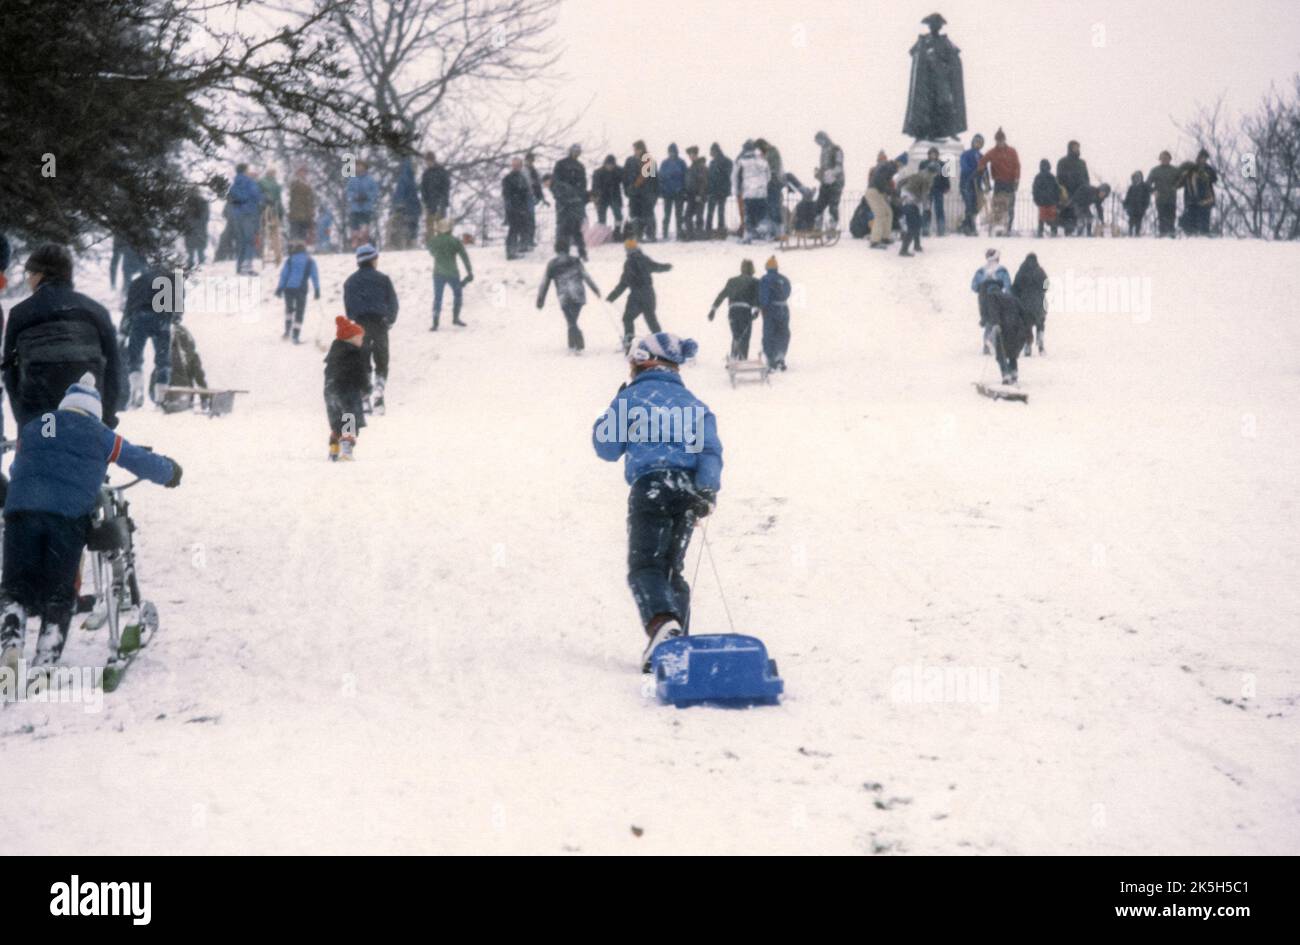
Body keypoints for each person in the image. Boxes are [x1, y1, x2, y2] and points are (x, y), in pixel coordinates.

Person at [0, 373, 179, 673]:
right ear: (95, 412)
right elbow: (139, 461)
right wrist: (171, 472)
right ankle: (45, 660)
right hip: (67, 519)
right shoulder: (100, 434)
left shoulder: (42, 424)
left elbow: (21, 465)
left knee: (15, 587)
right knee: (60, 590)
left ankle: (11, 644)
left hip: (20, 513)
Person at [591, 332, 722, 672]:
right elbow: (709, 451)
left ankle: (663, 626)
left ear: (643, 361)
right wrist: (705, 491)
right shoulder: (694, 404)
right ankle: (677, 645)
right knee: (670, 569)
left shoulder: (632, 398)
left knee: (645, 567)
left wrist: (613, 408)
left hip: (651, 487)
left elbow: (606, 448)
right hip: (686, 489)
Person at [3, 244, 125, 431]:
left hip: (39, 418)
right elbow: (114, 369)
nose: (28, 280)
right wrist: (106, 418)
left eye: (30, 274)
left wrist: (25, 420)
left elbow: (11, 374)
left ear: (39, 274)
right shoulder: (97, 312)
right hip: (88, 415)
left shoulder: (20, 314)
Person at [342, 244, 398, 414]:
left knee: (362, 362)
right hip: (380, 324)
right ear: (373, 260)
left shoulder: (350, 281)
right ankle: (379, 394)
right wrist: (389, 320)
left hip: (360, 326)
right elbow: (393, 303)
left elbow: (349, 308)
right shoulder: (383, 279)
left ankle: (365, 399)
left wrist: (354, 318)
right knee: (382, 360)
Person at [123, 264, 183, 406]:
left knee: (135, 359)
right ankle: (161, 397)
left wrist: (123, 331)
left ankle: (136, 388)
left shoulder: (138, 281)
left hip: (139, 318)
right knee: (163, 360)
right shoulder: (173, 279)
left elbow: (128, 309)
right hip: (161, 319)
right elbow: (178, 307)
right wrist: (175, 319)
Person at [607, 238, 671, 353]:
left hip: (636, 295)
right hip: (649, 294)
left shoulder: (629, 263)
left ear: (627, 250)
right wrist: (666, 267)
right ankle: (662, 344)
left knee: (628, 318)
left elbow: (624, 283)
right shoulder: (644, 259)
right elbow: (656, 267)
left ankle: (629, 345)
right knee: (651, 319)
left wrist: (612, 296)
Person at [537, 242, 600, 354]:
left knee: (570, 320)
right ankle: (573, 344)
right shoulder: (575, 261)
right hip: (578, 294)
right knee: (572, 319)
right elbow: (586, 276)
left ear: (556, 250)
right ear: (567, 249)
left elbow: (544, 283)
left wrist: (540, 299)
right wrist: (595, 290)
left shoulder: (552, 264)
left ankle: (576, 343)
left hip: (564, 295)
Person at [323, 317, 369, 462]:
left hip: (330, 392)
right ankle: (346, 451)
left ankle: (333, 450)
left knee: (337, 422)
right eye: (360, 338)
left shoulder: (334, 353)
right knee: (349, 419)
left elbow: (328, 373)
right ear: (351, 338)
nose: (362, 341)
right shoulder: (354, 353)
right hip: (347, 391)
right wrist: (366, 387)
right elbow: (360, 373)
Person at [707, 259, 760, 361]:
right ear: (752, 269)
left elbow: (722, 295)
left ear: (741, 268)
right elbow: (757, 297)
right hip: (745, 311)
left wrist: (713, 310)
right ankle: (742, 359)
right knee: (745, 336)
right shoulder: (755, 282)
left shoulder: (732, 281)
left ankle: (734, 356)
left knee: (736, 335)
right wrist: (756, 310)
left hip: (733, 311)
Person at [426, 219, 473, 330]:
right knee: (458, 295)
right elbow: (464, 257)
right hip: (453, 273)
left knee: (438, 298)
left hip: (437, 273)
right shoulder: (455, 241)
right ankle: (455, 318)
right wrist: (469, 271)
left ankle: (435, 322)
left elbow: (431, 252)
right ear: (449, 229)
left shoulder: (433, 241)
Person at [980, 278, 1029, 385]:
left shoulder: (991, 296)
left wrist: (996, 323)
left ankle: (1006, 375)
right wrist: (1025, 329)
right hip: (1016, 328)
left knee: (1000, 353)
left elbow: (993, 311)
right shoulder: (1012, 297)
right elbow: (1024, 313)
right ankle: (1014, 373)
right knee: (1012, 352)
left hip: (1003, 328)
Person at [160, 310, 209, 414]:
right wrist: (204, 397)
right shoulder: (182, 333)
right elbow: (199, 375)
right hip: (182, 395)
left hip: (174, 396)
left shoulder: (171, 333)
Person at [274, 241, 321, 343]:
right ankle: (295, 335)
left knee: (289, 310)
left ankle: (287, 331)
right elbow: (314, 276)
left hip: (288, 289)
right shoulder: (310, 261)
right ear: (304, 250)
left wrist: (280, 288)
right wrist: (317, 290)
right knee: (300, 312)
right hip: (301, 289)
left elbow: (284, 275)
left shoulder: (290, 260)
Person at [978, 128, 1020, 235]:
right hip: (999, 182)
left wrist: (1016, 179)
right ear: (996, 141)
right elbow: (982, 162)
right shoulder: (992, 152)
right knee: (997, 207)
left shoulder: (1012, 151)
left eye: (1001, 140)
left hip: (1010, 182)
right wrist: (981, 169)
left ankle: (1008, 228)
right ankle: (997, 227)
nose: (1000, 142)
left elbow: (1017, 166)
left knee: (1010, 207)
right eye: (998, 140)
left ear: (1004, 140)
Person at [970, 248, 1011, 354]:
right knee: (998, 319)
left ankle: (986, 345)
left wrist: (982, 287)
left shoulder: (980, 271)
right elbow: (1008, 286)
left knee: (988, 319)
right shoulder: (1002, 270)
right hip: (998, 297)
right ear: (997, 258)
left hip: (983, 298)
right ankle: (993, 341)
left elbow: (974, 287)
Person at [226, 163, 264, 275]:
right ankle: (247, 267)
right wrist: (265, 199)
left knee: (241, 241)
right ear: (244, 171)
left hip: (237, 215)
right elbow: (256, 195)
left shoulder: (234, 185)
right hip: (249, 213)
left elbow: (231, 198)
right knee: (249, 240)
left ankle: (239, 267)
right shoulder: (250, 182)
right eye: (248, 169)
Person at [732, 140, 770, 243]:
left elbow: (735, 177)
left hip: (748, 192)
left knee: (748, 214)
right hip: (762, 192)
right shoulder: (762, 160)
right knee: (761, 213)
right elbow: (768, 176)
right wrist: (763, 186)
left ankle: (748, 236)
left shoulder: (740, 161)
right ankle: (764, 232)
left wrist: (736, 190)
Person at [545, 171, 588, 261]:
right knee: (576, 233)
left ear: (549, 180)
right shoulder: (560, 184)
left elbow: (563, 201)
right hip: (576, 211)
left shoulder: (556, 186)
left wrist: (561, 215)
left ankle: (564, 254)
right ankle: (582, 253)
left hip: (569, 213)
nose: (545, 185)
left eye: (545, 182)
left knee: (564, 233)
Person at [867, 151, 907, 248]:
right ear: (899, 162)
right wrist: (890, 191)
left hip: (877, 192)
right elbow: (880, 181)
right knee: (880, 215)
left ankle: (885, 237)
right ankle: (875, 241)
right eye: (902, 165)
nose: (901, 168)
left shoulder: (889, 167)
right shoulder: (889, 167)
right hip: (874, 192)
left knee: (888, 213)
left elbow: (885, 182)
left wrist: (892, 191)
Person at [1012, 252, 1048, 356]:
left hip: (1024, 304)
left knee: (1027, 325)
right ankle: (1041, 345)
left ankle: (1028, 345)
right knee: (1040, 323)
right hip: (1039, 304)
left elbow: (1014, 287)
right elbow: (1046, 285)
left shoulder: (1021, 271)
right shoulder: (1040, 271)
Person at [758, 256, 792, 370]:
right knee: (783, 332)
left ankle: (770, 358)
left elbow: (764, 296)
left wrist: (760, 307)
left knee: (769, 334)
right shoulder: (785, 279)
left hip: (771, 310)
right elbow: (788, 292)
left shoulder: (765, 279)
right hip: (784, 309)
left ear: (767, 267)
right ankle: (780, 356)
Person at [623, 141, 658, 242]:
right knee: (634, 215)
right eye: (634, 149)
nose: (635, 151)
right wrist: (627, 189)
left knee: (648, 215)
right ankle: (637, 235)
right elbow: (625, 177)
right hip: (633, 193)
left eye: (637, 149)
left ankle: (651, 235)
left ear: (642, 149)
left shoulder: (649, 161)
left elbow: (654, 179)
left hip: (646, 193)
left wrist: (654, 194)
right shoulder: (629, 161)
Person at [1179, 149, 1217, 235]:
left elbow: (1214, 179)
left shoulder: (1208, 169)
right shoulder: (1191, 168)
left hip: (1206, 198)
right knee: (1192, 218)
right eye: (1202, 157)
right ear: (1198, 158)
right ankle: (1192, 234)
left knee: (1205, 218)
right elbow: (1181, 181)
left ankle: (1205, 234)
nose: (1203, 159)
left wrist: (1205, 175)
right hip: (1191, 198)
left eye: (1205, 158)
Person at [1055, 141, 1090, 235]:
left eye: (1078, 147)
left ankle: (1080, 231)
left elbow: (1086, 178)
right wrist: (1062, 191)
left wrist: (1086, 189)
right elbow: (1059, 179)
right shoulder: (1062, 162)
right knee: (1068, 215)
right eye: (1075, 147)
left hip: (1080, 193)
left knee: (1081, 215)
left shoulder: (1082, 163)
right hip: (1067, 193)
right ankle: (1068, 232)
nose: (1077, 149)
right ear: (1070, 148)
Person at [897, 169, 934, 256]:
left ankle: (917, 245)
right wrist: (927, 208)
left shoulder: (914, 175)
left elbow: (899, 183)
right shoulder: (926, 179)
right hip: (911, 202)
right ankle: (903, 250)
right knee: (914, 226)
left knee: (916, 223)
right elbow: (924, 195)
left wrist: (900, 195)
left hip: (906, 201)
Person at [502, 157, 533, 260]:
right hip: (513, 207)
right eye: (514, 165)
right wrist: (510, 207)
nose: (516, 167)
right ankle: (510, 252)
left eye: (518, 165)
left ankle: (519, 248)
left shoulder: (522, 178)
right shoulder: (508, 178)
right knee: (513, 229)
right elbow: (507, 195)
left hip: (522, 208)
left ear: (520, 166)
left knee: (521, 228)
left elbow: (526, 192)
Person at [813, 131, 845, 228]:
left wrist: (832, 173)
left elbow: (839, 166)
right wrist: (819, 174)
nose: (819, 144)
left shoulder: (836, 149)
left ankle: (832, 227)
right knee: (819, 205)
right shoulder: (823, 151)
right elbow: (824, 167)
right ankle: (817, 227)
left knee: (833, 206)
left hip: (836, 182)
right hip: (825, 182)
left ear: (824, 138)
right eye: (817, 142)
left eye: (819, 141)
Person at [345, 161, 380, 249]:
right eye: (357, 166)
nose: (359, 168)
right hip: (355, 209)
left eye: (360, 166)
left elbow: (375, 192)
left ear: (365, 167)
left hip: (366, 208)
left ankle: (364, 244)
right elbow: (348, 192)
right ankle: (355, 244)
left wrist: (367, 196)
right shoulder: (352, 180)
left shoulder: (370, 180)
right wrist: (354, 197)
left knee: (365, 228)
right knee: (354, 229)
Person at [1146, 151, 1180, 238]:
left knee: (1172, 216)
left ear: (1170, 159)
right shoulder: (1155, 170)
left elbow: (1181, 181)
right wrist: (1153, 191)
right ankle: (1162, 234)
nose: (1164, 160)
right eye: (1162, 158)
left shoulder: (1175, 170)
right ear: (1160, 159)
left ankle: (1172, 234)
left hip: (1172, 198)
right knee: (1161, 216)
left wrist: (1176, 186)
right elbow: (1147, 183)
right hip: (1160, 198)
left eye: (1166, 158)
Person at [391, 158, 422, 250]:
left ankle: (411, 245)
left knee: (412, 227)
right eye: (414, 166)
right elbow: (400, 193)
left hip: (413, 208)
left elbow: (414, 196)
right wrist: (399, 204)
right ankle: (406, 245)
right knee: (407, 227)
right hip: (407, 208)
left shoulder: (411, 179)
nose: (416, 169)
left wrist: (418, 206)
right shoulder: (404, 178)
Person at [958, 134, 985, 236]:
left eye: (980, 142)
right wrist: (972, 172)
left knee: (977, 206)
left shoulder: (982, 156)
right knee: (969, 205)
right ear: (973, 142)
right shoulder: (966, 154)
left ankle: (965, 225)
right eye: (976, 142)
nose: (977, 144)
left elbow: (984, 170)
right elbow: (963, 165)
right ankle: (970, 228)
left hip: (977, 185)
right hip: (966, 183)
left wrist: (984, 179)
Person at [658, 144, 687, 240]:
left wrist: (683, 190)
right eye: (670, 151)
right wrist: (662, 190)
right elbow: (660, 178)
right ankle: (665, 233)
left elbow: (686, 178)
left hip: (679, 193)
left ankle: (679, 233)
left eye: (673, 151)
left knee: (679, 215)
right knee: (667, 215)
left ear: (676, 152)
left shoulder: (681, 163)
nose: (672, 153)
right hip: (667, 193)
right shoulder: (664, 163)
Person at [756, 139, 784, 235]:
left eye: (760, 148)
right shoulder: (767, 153)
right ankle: (773, 231)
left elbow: (774, 167)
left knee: (774, 206)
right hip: (769, 183)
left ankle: (779, 232)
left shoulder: (772, 151)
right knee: (769, 207)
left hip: (774, 182)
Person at [420, 151, 451, 237]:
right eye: (426, 161)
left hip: (440, 202)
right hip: (430, 203)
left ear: (433, 160)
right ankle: (431, 244)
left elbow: (446, 187)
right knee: (429, 225)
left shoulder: (441, 171)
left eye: (429, 160)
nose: (427, 163)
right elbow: (423, 188)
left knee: (441, 225)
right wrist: (424, 201)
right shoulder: (426, 173)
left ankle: (443, 243)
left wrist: (443, 201)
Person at [592, 154, 625, 234]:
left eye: (612, 165)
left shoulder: (619, 171)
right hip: (602, 197)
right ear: (605, 164)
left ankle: (617, 231)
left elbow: (626, 181)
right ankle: (601, 233)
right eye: (608, 164)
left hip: (615, 196)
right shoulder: (598, 173)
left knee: (618, 216)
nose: (610, 167)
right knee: (601, 217)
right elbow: (595, 187)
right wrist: (596, 200)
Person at [919, 146, 948, 236]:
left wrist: (946, 186)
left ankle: (941, 229)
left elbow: (945, 177)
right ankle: (925, 229)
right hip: (927, 189)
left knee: (939, 209)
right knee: (926, 209)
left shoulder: (942, 164)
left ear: (937, 155)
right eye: (931, 154)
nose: (933, 155)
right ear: (928, 154)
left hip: (938, 189)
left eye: (934, 154)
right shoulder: (923, 164)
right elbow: (920, 176)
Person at [259, 169, 285, 265]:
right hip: (270, 211)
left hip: (269, 211)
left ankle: (275, 255)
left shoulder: (263, 183)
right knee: (274, 234)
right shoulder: (273, 185)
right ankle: (277, 256)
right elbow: (278, 200)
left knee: (272, 233)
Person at [706, 143, 733, 236]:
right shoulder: (727, 161)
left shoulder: (715, 163)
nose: (711, 153)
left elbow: (711, 177)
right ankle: (720, 230)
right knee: (720, 211)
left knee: (712, 211)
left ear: (715, 151)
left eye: (712, 151)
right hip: (721, 190)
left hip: (716, 190)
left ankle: (709, 230)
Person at [683, 146, 708, 239]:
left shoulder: (701, 167)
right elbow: (688, 182)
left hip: (699, 196)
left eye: (692, 155)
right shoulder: (691, 167)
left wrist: (700, 195)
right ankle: (691, 234)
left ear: (696, 155)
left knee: (699, 216)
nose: (691, 157)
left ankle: (699, 234)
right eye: (689, 155)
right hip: (691, 196)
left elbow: (703, 183)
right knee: (687, 216)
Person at [1031, 159, 1061, 237]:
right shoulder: (1052, 177)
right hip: (1051, 201)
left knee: (1042, 218)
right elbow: (1057, 189)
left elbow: (1035, 190)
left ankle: (1040, 232)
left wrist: (1036, 200)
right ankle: (1054, 232)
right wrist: (1057, 200)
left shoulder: (1038, 177)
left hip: (1042, 202)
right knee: (1053, 218)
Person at [287, 166, 316, 244]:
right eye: (301, 172)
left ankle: (301, 250)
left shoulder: (308, 184)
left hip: (306, 215)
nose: (303, 174)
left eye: (305, 172)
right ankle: (294, 249)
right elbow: (293, 191)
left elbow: (311, 200)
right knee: (295, 234)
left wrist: (311, 212)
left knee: (303, 235)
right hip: (296, 214)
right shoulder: (295, 183)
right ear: (297, 173)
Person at [524, 152, 547, 250]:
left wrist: (541, 197)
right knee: (527, 219)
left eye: (532, 160)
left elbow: (538, 185)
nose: (531, 161)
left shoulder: (534, 171)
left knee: (531, 220)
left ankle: (530, 240)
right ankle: (526, 240)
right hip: (525, 197)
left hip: (532, 197)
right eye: (529, 160)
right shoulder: (523, 170)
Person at [183, 188, 209, 268]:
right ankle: (199, 260)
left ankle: (193, 261)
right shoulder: (203, 202)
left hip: (191, 227)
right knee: (199, 245)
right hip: (199, 227)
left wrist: (188, 223)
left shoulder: (187, 202)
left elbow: (184, 215)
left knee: (192, 246)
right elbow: (206, 216)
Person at [1123, 171, 1152, 236]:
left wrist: (1145, 207)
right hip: (1131, 208)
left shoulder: (1145, 186)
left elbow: (1147, 198)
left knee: (1138, 221)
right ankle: (1130, 233)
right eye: (1134, 177)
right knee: (1131, 221)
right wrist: (1125, 205)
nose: (1136, 178)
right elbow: (1127, 197)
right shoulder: (1131, 187)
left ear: (1141, 177)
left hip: (1140, 208)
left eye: (1137, 177)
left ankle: (1137, 234)